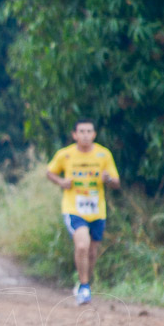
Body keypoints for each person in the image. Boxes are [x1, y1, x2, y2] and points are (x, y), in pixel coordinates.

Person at [46, 118, 120, 305]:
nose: (85, 135)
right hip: (73, 208)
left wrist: (108, 179)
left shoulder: (104, 155)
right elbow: (50, 172)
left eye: (89, 132)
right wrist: (61, 182)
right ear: (74, 135)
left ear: (94, 134)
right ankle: (85, 287)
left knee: (92, 252)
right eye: (82, 131)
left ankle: (82, 282)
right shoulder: (66, 155)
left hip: (97, 210)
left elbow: (116, 182)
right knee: (81, 245)